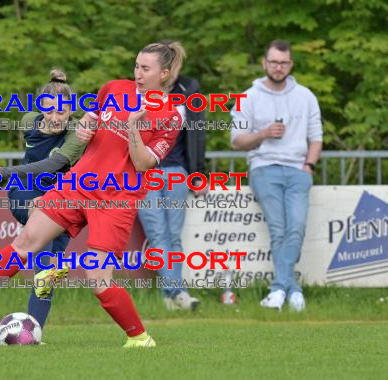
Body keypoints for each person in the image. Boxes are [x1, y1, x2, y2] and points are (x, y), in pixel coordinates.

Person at [0, 40, 186, 348]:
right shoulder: (113, 89)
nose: (138, 73)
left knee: (98, 280)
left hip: (116, 198)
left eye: (146, 68)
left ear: (165, 73)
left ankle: (139, 337)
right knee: (26, 241)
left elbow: (143, 162)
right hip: (79, 184)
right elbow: (87, 126)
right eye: (136, 65)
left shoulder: (171, 117)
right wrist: (86, 128)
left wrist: (132, 128)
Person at [0, 69, 86, 329]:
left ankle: (34, 330)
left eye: (61, 112)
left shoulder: (78, 132)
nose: (54, 117)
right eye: (49, 111)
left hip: (60, 200)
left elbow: (53, 164)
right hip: (24, 190)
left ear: (72, 109)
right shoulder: (28, 120)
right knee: (39, 211)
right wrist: (7, 176)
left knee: (45, 272)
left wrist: (3, 171)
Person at [230, 40, 323, 312]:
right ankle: (291, 290)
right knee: (279, 229)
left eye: (283, 63)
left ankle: (281, 290)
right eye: (273, 62)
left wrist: (310, 166)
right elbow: (236, 141)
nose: (278, 67)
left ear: (290, 65)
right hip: (264, 168)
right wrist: (263, 134)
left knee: (296, 228)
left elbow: (316, 137)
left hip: (298, 170)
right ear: (264, 63)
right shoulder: (249, 96)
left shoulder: (305, 96)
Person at [137, 40, 207, 311]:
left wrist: (198, 173)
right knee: (157, 234)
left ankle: (169, 296)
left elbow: (197, 134)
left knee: (174, 236)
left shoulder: (189, 89)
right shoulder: (139, 91)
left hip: (177, 170)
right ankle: (178, 292)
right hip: (146, 173)